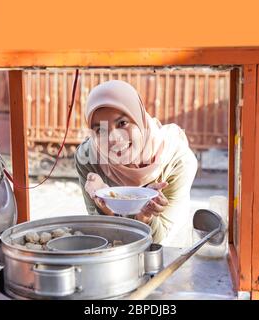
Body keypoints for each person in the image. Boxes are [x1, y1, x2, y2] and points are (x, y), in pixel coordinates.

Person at [75, 80, 197, 246]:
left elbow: (160, 239)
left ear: (139, 118)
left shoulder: (178, 161)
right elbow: (103, 236)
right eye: (100, 130)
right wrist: (105, 207)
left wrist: (144, 216)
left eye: (122, 123)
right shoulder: (89, 158)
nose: (114, 138)